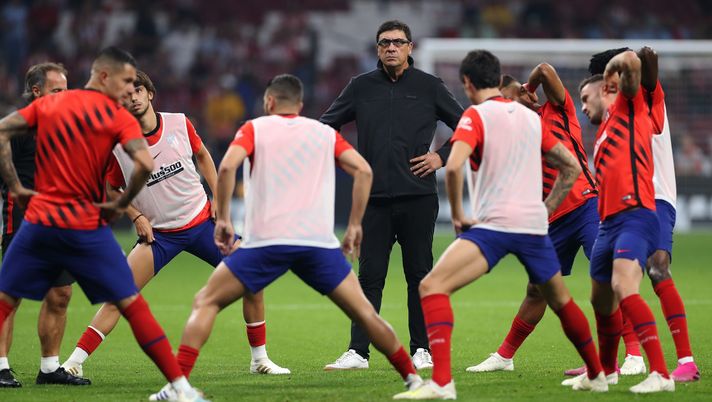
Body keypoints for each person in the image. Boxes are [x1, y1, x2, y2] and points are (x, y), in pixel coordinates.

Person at [148, 74, 424, 400]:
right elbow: (363, 171)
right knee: (365, 312)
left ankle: (179, 386)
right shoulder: (323, 133)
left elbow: (225, 169)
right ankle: (415, 380)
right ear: (301, 105)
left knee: (206, 301)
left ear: (269, 102)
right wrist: (354, 225)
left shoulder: (254, 129)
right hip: (317, 243)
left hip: (266, 242)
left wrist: (222, 217)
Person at [394, 50, 606, 400]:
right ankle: (597, 374)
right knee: (561, 300)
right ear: (498, 78)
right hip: (534, 228)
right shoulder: (531, 119)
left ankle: (442, 383)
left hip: (494, 228)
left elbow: (455, 164)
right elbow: (569, 166)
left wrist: (460, 216)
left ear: (467, 83)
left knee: (431, 287)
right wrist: (545, 208)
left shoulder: (475, 117)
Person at [0, 46, 207, 401]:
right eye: (127, 81)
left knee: (6, 297)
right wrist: (122, 205)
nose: (130, 89)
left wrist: (16, 187)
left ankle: (46, 366)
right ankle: (180, 387)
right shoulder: (117, 118)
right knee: (130, 302)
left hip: (40, 221)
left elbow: (2, 130)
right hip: (84, 226)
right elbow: (143, 163)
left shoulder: (54, 104)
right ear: (106, 76)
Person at [61, 70, 289, 382]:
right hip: (159, 235)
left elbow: (204, 157)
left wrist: (218, 203)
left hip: (201, 223)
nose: (132, 98)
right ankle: (74, 363)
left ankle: (260, 359)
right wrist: (137, 217)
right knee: (119, 294)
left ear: (149, 93)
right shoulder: (116, 146)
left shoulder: (179, 123)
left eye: (137, 90)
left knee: (253, 278)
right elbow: (112, 189)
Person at [320, 20, 464, 370]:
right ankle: (358, 352)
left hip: (418, 197)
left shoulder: (429, 86)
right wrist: (349, 159)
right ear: (377, 49)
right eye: (385, 43)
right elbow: (325, 126)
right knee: (369, 277)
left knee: (419, 274)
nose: (391, 48)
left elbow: (466, 126)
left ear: (410, 48)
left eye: (398, 42)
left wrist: (440, 157)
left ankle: (422, 349)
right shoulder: (360, 87)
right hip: (373, 200)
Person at [467, 63, 600, 373]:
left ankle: (629, 356)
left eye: (508, 98)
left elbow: (545, 70)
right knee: (537, 289)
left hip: (586, 206)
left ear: (523, 94)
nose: (503, 106)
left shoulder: (557, 110)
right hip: (551, 220)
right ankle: (504, 357)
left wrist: (529, 88)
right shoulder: (514, 131)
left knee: (607, 277)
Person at [581, 46, 699, 382]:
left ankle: (685, 361)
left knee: (657, 268)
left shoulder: (643, 96)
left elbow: (646, 63)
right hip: (619, 206)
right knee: (610, 284)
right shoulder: (608, 119)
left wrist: (639, 56)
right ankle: (613, 364)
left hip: (655, 196)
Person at [0, 62, 88, 387]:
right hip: (23, 221)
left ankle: (49, 369)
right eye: (57, 90)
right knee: (10, 294)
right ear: (36, 92)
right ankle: (0, 367)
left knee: (60, 293)